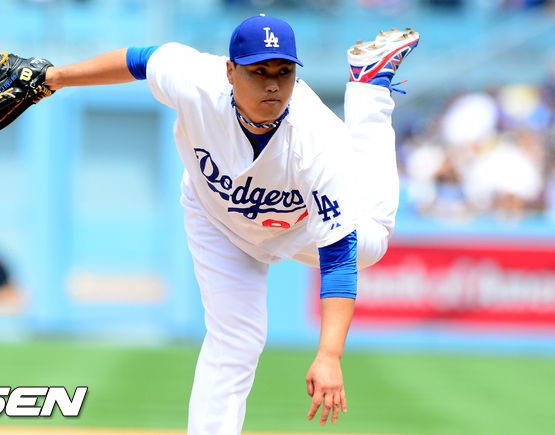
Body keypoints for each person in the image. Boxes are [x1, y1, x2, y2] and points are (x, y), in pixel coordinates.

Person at [44, 14, 418, 433]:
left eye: (283, 71)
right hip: (216, 217)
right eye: (259, 71)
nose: (272, 84)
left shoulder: (316, 142)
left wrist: (329, 356)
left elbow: (338, 260)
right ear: (230, 71)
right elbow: (139, 60)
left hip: (298, 227)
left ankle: (370, 88)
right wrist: (53, 79)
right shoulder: (196, 81)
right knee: (236, 340)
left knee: (373, 240)